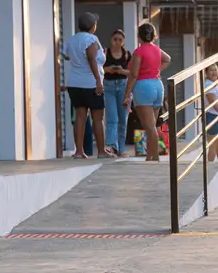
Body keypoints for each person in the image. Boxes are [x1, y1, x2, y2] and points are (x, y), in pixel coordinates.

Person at [63, 12, 114, 159]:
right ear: (93, 26)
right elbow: (91, 58)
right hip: (90, 83)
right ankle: (101, 151)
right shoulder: (91, 39)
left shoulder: (72, 39)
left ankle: (79, 151)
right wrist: (98, 80)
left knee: (80, 116)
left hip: (74, 83)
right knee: (97, 117)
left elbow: (67, 56)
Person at [124, 24, 171, 162]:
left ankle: (155, 158)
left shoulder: (139, 52)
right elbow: (167, 59)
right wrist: (156, 70)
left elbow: (134, 74)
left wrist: (127, 93)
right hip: (157, 85)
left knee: (149, 127)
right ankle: (149, 157)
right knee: (152, 125)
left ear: (139, 37)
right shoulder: (156, 49)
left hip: (144, 87)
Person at [103, 29, 131, 157]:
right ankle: (111, 146)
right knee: (112, 118)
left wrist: (121, 71)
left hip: (123, 86)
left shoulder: (127, 54)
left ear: (123, 41)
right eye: (115, 39)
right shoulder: (105, 53)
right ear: (111, 40)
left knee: (123, 119)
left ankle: (122, 147)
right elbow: (99, 68)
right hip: (108, 86)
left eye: (120, 40)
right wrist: (108, 69)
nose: (117, 42)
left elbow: (132, 72)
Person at [204, 64, 218, 162]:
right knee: (213, 147)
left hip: (217, 116)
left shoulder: (216, 84)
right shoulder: (208, 84)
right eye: (211, 70)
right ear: (206, 73)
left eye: (216, 70)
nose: (214, 72)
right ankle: (209, 167)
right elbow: (212, 101)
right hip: (212, 116)